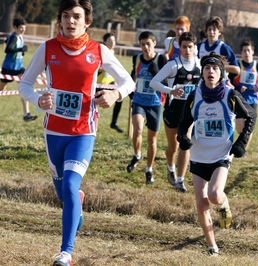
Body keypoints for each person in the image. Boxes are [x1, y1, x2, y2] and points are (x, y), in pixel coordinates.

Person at [18, 0, 135, 265]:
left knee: (71, 184)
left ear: (87, 22)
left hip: (83, 131)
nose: (71, 21)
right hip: (54, 132)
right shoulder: (48, 49)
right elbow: (25, 84)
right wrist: (38, 100)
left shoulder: (99, 50)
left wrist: (115, 93)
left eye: (77, 17)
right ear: (59, 19)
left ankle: (65, 253)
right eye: (66, 16)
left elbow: (128, 81)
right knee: (63, 194)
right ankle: (75, 202)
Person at [177, 52, 256, 255]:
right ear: (202, 73)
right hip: (198, 155)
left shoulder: (230, 95)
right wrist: (183, 138)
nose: (210, 71)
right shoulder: (194, 96)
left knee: (213, 195)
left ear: (221, 73)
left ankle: (224, 204)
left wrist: (241, 142)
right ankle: (212, 247)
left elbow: (252, 116)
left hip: (222, 153)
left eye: (215, 69)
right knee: (201, 203)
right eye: (207, 68)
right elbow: (184, 123)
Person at [150, 31, 200, 192]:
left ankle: (180, 180)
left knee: (186, 144)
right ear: (179, 47)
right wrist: (170, 90)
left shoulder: (199, 65)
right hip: (173, 110)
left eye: (190, 47)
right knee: (174, 146)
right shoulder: (173, 65)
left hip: (189, 112)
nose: (187, 50)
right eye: (184, 47)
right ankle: (170, 166)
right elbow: (154, 82)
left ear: (194, 47)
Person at [126, 31, 167, 185]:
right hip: (139, 102)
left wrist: (156, 73)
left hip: (155, 103)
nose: (145, 47)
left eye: (148, 44)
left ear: (154, 44)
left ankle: (149, 169)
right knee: (137, 130)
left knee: (152, 140)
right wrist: (131, 91)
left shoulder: (160, 59)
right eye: (142, 44)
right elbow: (133, 76)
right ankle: (137, 155)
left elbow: (166, 80)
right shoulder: (136, 58)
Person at [229, 38, 258, 149]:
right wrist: (239, 87)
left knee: (249, 128)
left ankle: (243, 149)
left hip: (253, 99)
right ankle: (240, 144)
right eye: (244, 51)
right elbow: (229, 82)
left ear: (253, 52)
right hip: (239, 99)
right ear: (241, 52)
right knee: (240, 129)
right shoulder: (238, 66)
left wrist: (257, 88)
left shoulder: (257, 66)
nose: (247, 53)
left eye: (249, 50)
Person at [0, 17, 37, 122]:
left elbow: (9, 43)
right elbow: (8, 49)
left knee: (25, 87)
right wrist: (20, 49)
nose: (23, 30)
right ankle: (26, 114)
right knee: (1, 90)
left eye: (24, 28)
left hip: (19, 68)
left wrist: (21, 51)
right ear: (15, 27)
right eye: (21, 28)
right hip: (9, 69)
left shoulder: (19, 36)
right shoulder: (15, 37)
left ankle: (26, 114)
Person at [97, 32, 123, 133]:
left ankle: (114, 122)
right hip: (100, 83)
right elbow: (96, 68)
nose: (112, 43)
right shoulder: (101, 52)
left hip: (111, 83)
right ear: (105, 42)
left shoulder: (112, 52)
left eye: (114, 41)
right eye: (110, 41)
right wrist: (104, 68)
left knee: (119, 99)